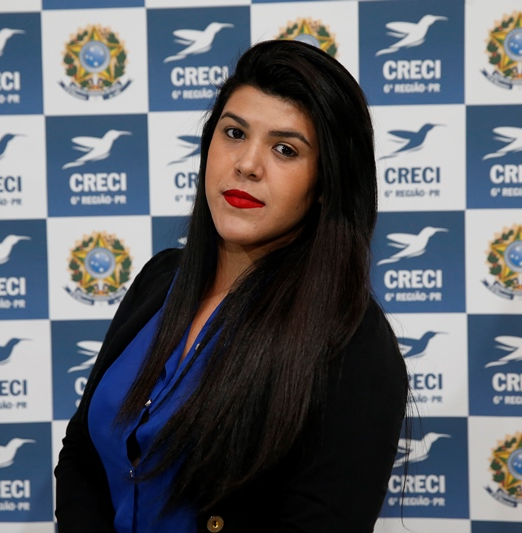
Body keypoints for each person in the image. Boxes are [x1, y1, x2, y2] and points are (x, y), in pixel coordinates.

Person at [55, 39, 408, 533]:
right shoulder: (160, 280)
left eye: (285, 149)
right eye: (235, 133)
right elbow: (82, 456)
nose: (247, 164)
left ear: (326, 184)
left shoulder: (353, 340)